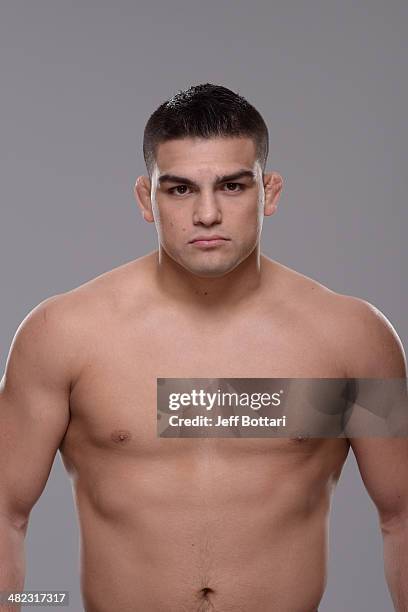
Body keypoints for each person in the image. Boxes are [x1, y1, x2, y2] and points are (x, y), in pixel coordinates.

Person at [0, 83, 407, 612]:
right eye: (181, 189)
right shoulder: (63, 333)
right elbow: (6, 512)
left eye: (234, 187)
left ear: (271, 192)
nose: (208, 214)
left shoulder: (352, 337)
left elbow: (400, 514)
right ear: (148, 199)